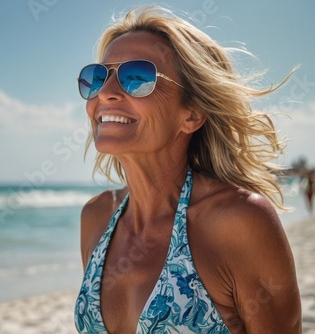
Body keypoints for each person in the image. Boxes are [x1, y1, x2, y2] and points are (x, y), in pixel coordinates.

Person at [74, 5, 301, 334]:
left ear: (191, 114)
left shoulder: (239, 222)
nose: (106, 93)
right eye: (98, 77)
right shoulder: (96, 218)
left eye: (137, 78)